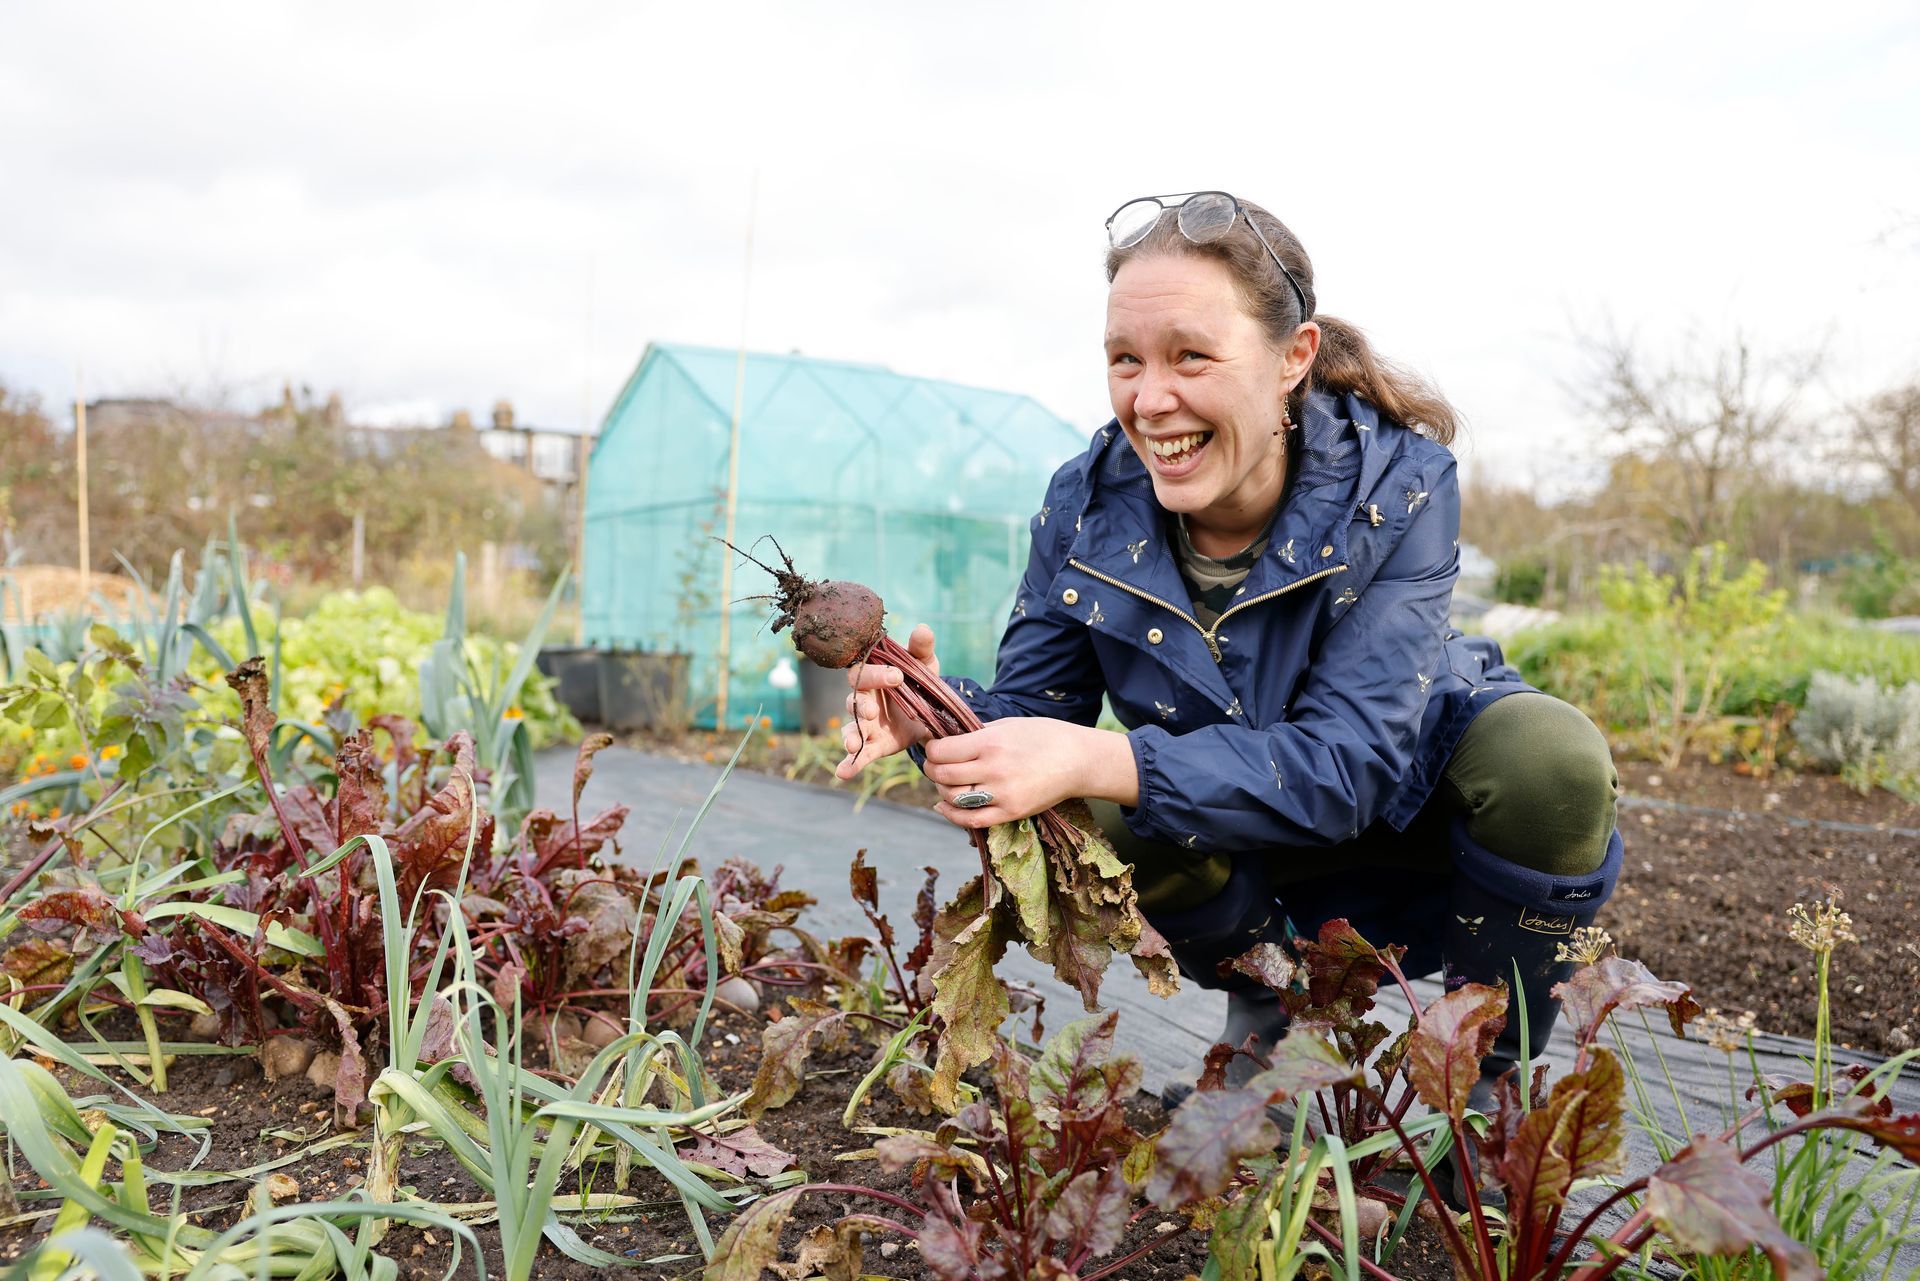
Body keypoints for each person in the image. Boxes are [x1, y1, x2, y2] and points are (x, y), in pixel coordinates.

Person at [836, 191, 1622, 1195]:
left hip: (1410, 826)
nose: (1150, 399)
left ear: (1293, 356)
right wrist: (935, 713)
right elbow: (1039, 726)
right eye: (1126, 359)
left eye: (1191, 357)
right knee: (1085, 799)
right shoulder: (1088, 502)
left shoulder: (1397, 484)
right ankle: (1268, 1029)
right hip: (1233, 848)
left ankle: (1489, 1087)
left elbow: (1348, 766)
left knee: (1549, 758)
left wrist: (1100, 756)